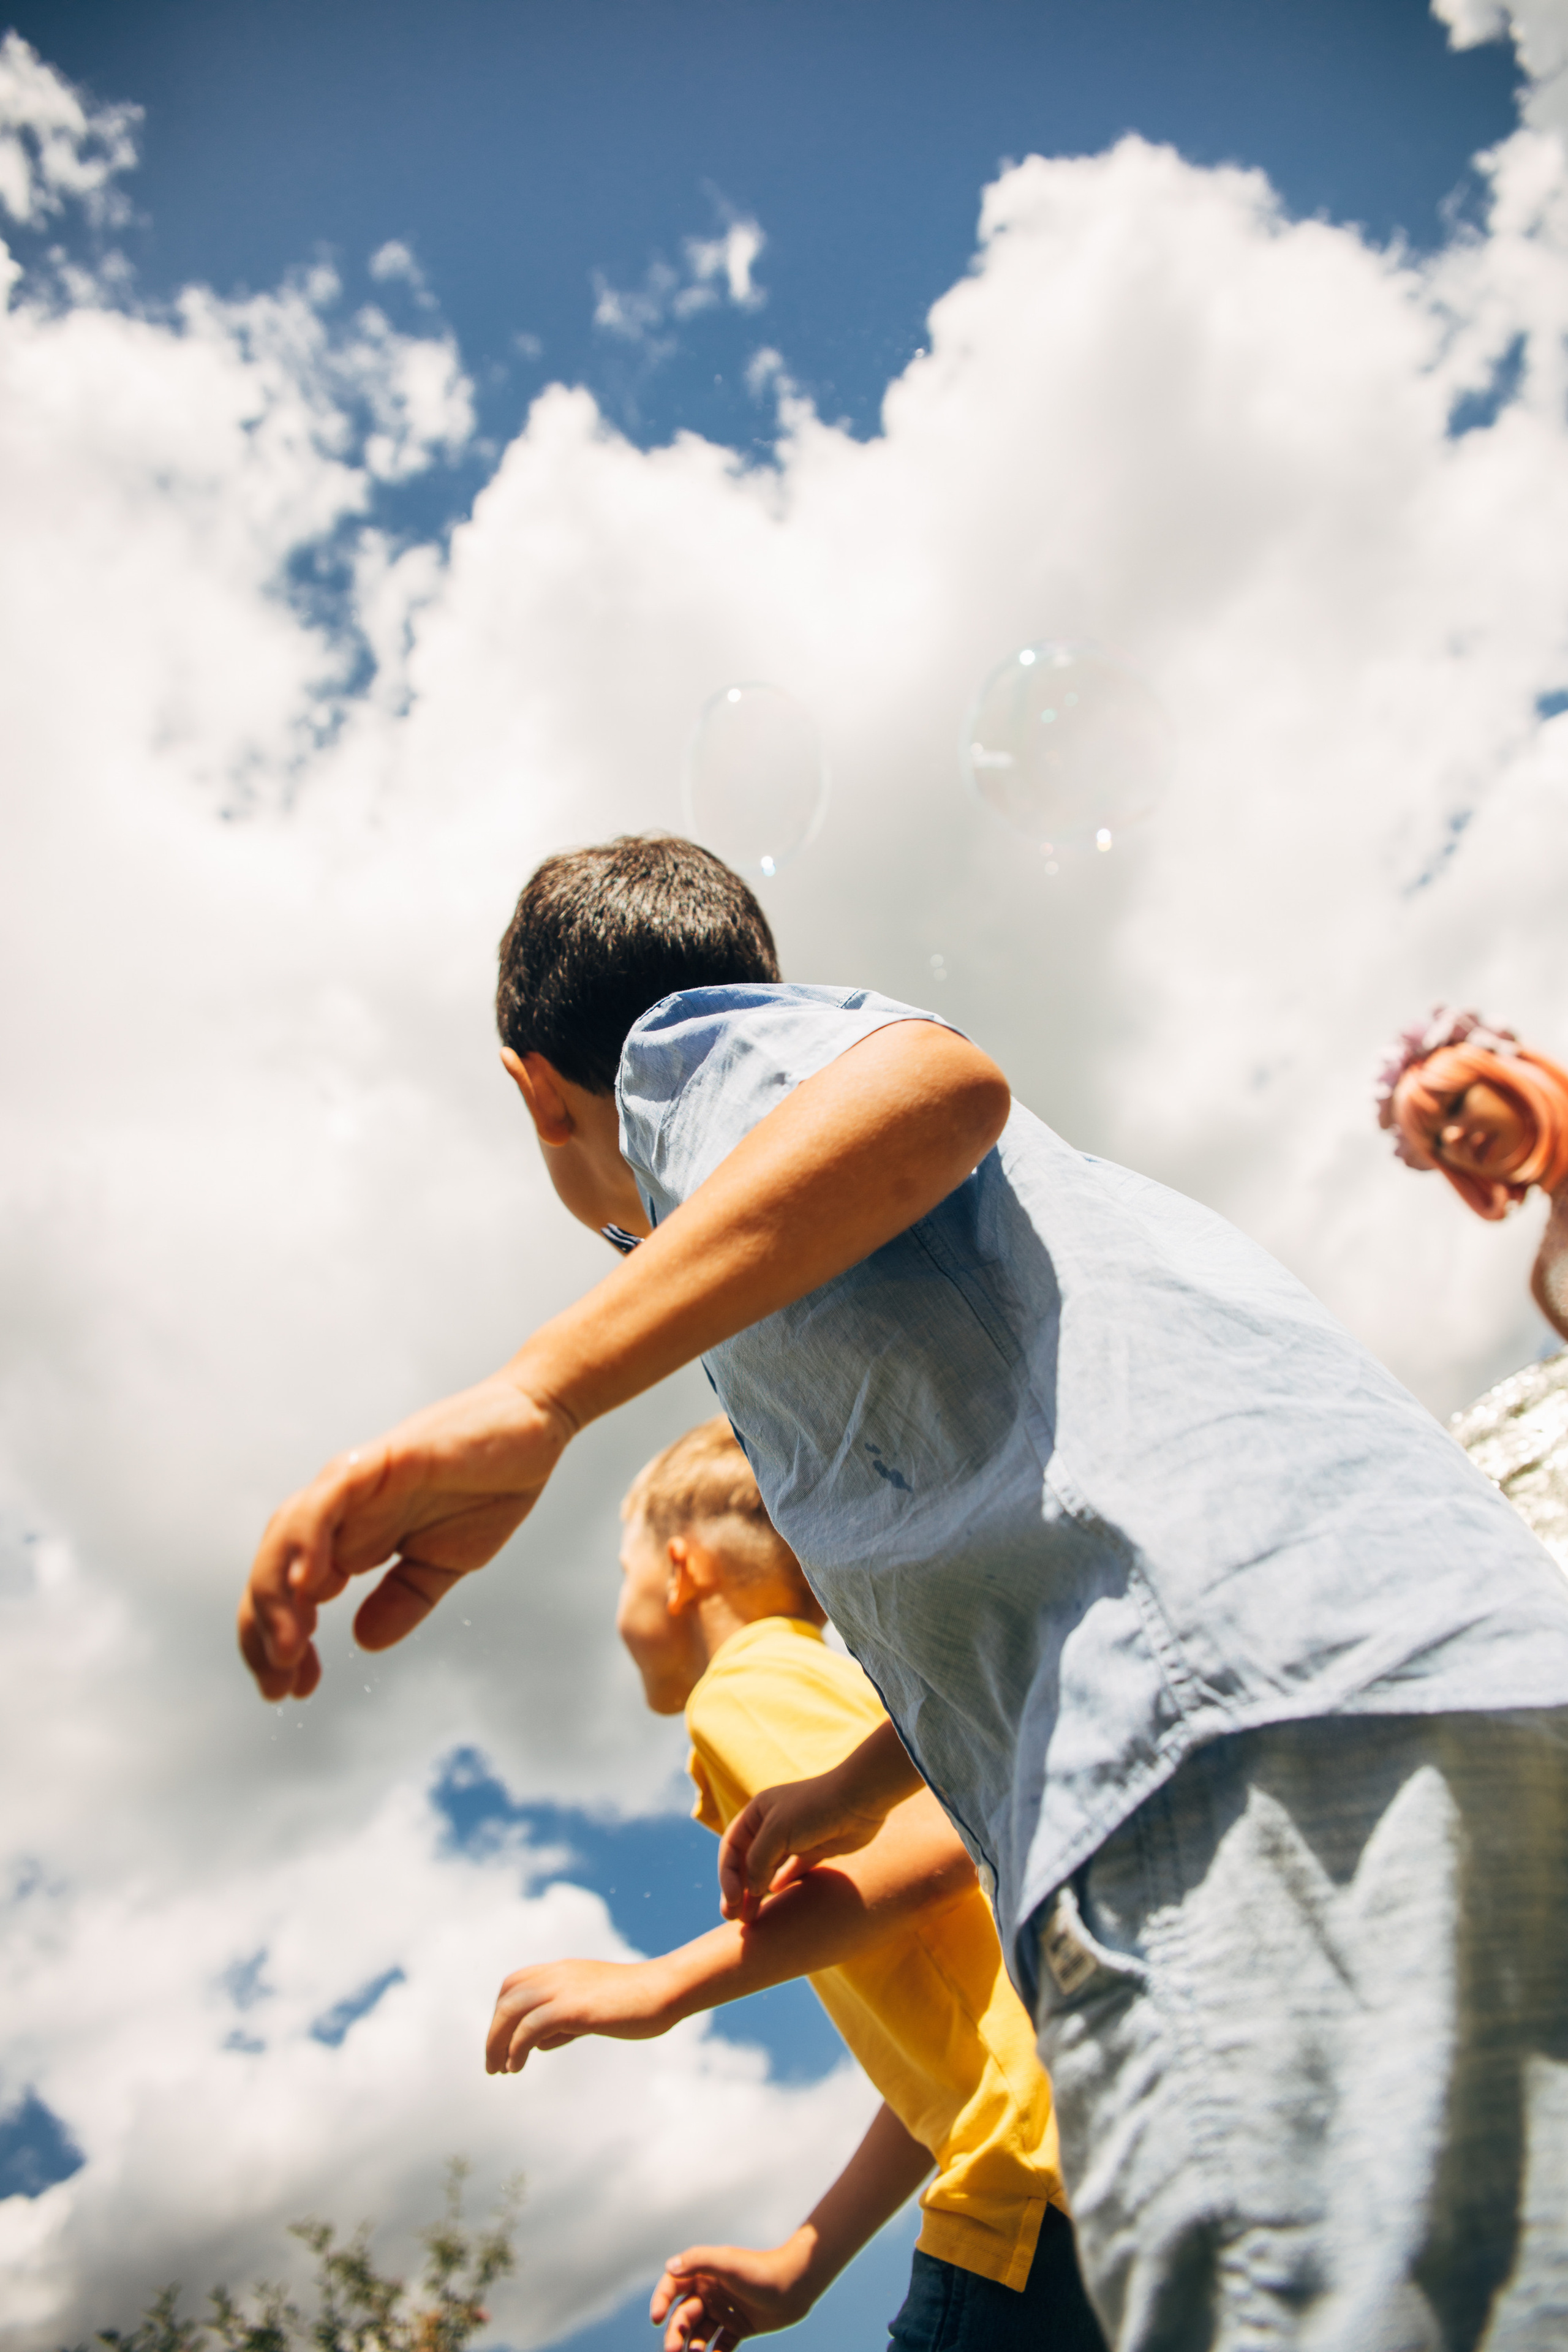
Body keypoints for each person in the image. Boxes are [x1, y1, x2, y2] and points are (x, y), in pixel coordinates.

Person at [239, 834, 1568, 2349]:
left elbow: (934, 1084)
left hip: (1215, 1750)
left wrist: (541, 1389)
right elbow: (1034, 1504)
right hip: (1423, 1660)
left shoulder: (680, 1067)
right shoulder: (860, 1227)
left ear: (536, 1089)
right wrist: (858, 1781)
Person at [484, 1415, 1104, 2352]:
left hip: (1027, 2186)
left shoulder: (745, 1686)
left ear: (683, 1571)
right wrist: (806, 2263)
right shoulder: (834, 1688)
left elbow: (954, 1820)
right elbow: (953, 2033)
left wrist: (664, 1982)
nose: (622, 1598)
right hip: (1069, 2155)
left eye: (625, 1573)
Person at [1376, 1005, 1568, 1342]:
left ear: (1504, 1080)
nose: (1452, 1137)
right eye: (1436, 1143)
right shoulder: (1545, 1282)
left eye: (1455, 1105)